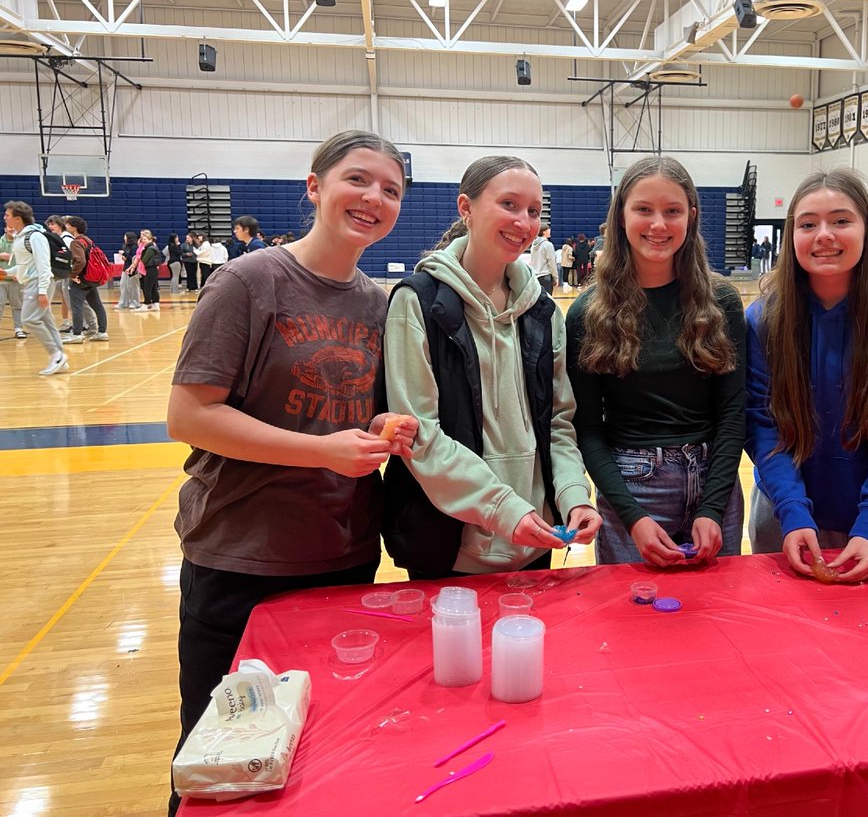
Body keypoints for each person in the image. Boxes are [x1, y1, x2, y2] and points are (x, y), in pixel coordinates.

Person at [165, 130, 417, 816]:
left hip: (341, 558)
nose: (374, 198)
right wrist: (324, 450)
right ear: (315, 186)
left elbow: (351, 421)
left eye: (391, 190)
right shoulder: (250, 281)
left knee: (321, 761)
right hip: (240, 561)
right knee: (221, 763)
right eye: (358, 180)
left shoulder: (381, 303)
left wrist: (381, 432)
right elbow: (189, 415)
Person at [381, 155, 602, 580]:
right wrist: (501, 508)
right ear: (466, 208)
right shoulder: (418, 302)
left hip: (537, 539)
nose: (524, 221)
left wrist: (574, 495)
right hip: (448, 548)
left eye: (534, 211)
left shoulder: (542, 310)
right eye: (509, 204)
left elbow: (559, 422)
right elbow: (418, 433)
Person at [745, 168, 868, 582]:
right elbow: (764, 428)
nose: (824, 234)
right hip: (786, 521)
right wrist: (792, 512)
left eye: (841, 220)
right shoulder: (763, 320)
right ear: (792, 235)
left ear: (867, 229)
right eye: (808, 224)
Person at [567, 155, 745, 567]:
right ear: (621, 216)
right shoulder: (587, 314)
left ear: (692, 216)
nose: (659, 225)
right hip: (632, 489)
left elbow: (733, 413)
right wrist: (633, 518)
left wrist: (713, 507)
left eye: (673, 211)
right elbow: (588, 430)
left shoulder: (722, 302)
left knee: (717, 617)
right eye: (643, 210)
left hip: (714, 483)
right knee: (634, 621)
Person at [3, 201, 67, 375]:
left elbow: (43, 265)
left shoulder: (35, 236)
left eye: (7, 215)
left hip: (39, 282)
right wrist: (7, 272)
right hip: (31, 282)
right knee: (47, 320)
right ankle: (60, 356)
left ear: (17, 218)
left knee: (29, 319)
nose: (4, 218)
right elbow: (25, 266)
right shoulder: (20, 237)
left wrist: (42, 291)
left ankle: (56, 355)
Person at [61, 216, 109, 343]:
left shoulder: (76, 242)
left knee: (76, 306)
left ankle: (77, 334)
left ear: (74, 227)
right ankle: (102, 332)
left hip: (81, 279)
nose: (66, 227)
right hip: (91, 279)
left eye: (67, 224)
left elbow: (80, 261)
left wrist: (72, 274)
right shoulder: (88, 240)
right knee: (97, 305)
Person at [0, 223, 26, 338]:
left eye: (14, 227)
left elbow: (26, 260)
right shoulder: (1, 242)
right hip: (1, 280)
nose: (12, 229)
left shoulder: (21, 243)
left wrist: (21, 274)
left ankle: (18, 329)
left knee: (17, 305)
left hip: (16, 280)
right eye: (10, 227)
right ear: (5, 229)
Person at [131, 229, 162, 312]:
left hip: (150, 269)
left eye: (145, 239)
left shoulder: (150, 248)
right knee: (153, 288)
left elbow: (144, 259)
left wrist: (140, 256)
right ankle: (155, 304)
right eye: (142, 239)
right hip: (150, 269)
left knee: (147, 287)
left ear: (150, 239)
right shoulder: (148, 247)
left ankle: (146, 304)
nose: (143, 240)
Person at [530, 222, 557, 295]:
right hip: (545, 276)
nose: (550, 231)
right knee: (546, 302)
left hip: (535, 277)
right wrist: (555, 277)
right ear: (544, 231)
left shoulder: (533, 245)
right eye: (548, 229)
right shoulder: (548, 245)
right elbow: (551, 262)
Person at [116, 231, 142, 309]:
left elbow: (133, 259)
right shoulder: (125, 246)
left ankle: (135, 302)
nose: (124, 238)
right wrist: (123, 257)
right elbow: (127, 258)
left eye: (125, 236)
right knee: (123, 285)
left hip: (133, 269)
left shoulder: (135, 247)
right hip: (125, 268)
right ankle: (123, 302)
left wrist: (124, 254)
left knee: (133, 286)